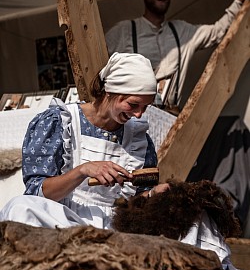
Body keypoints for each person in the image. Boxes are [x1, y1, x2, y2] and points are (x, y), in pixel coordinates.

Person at [0, 52, 168, 229]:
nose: (139, 114)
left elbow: (136, 203)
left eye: (145, 107)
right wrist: (83, 170)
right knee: (20, 208)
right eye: (133, 105)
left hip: (114, 227)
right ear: (110, 91)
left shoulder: (139, 139)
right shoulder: (60, 122)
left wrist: (151, 195)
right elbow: (37, 193)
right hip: (61, 220)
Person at [105, 0, 250, 111]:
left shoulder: (181, 31)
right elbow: (98, 62)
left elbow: (218, 31)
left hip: (170, 118)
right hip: (134, 116)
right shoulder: (124, 31)